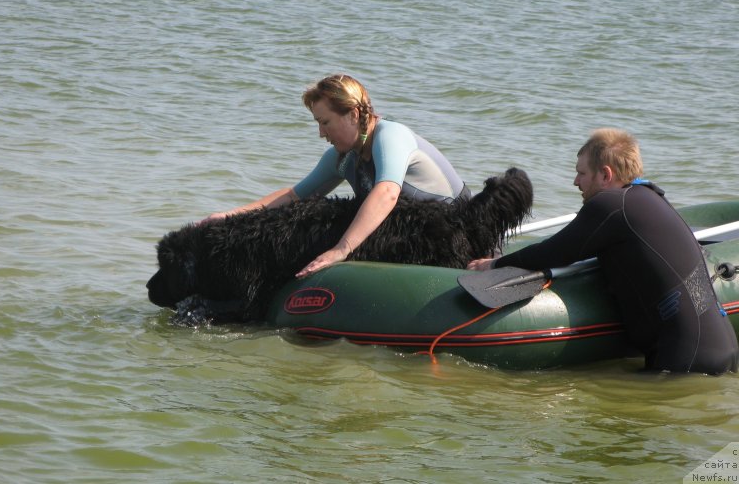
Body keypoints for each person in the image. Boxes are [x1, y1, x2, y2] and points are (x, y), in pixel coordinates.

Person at [467, 128, 738, 375]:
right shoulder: (650, 198)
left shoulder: (611, 206)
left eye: (582, 173)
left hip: (685, 360)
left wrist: (494, 264)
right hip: (721, 346)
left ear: (606, 175)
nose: (575, 181)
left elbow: (552, 252)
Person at [201, 73, 469, 279]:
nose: (321, 133)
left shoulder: (390, 136)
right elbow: (295, 195)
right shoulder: (342, 158)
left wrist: (342, 249)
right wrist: (231, 216)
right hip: (413, 236)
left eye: (325, 122)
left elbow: (387, 192)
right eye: (318, 123)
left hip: (456, 231)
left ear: (353, 114)